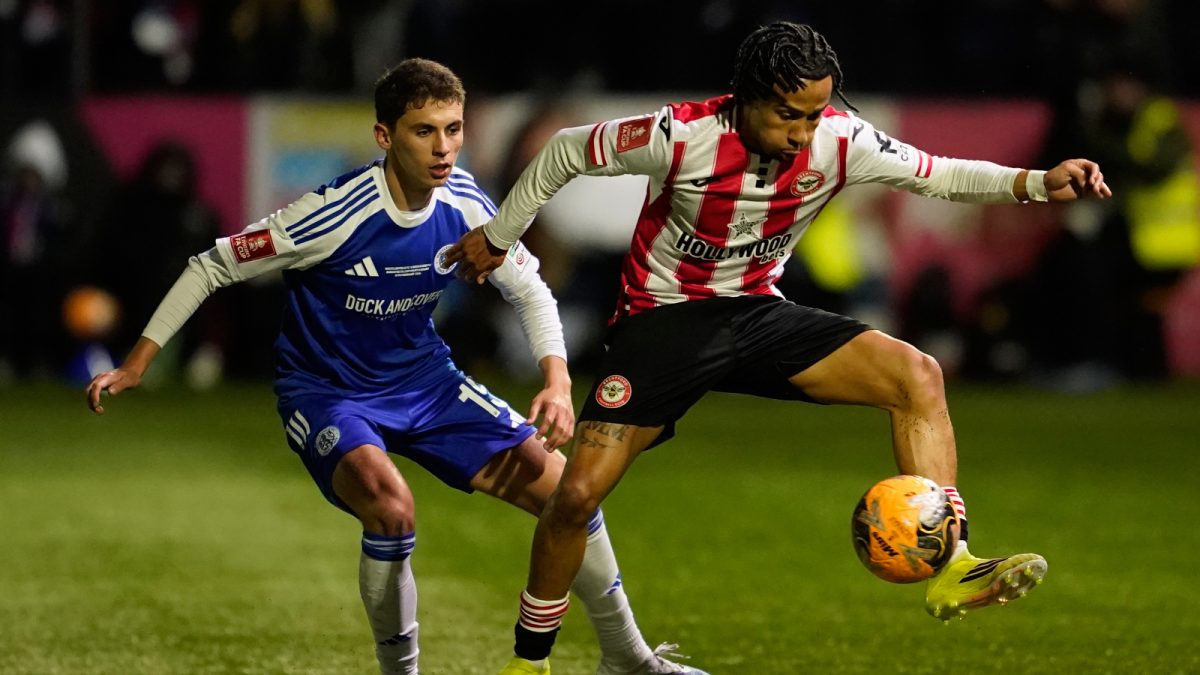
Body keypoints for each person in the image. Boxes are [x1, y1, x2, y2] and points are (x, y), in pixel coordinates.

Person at [446, 22, 1112, 673]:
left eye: (815, 114)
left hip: (759, 314)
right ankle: (529, 664)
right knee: (577, 495)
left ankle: (952, 563)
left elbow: (934, 174)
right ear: (747, 99)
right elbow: (566, 149)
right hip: (666, 321)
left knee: (917, 375)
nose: (802, 133)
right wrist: (502, 235)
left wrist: (1036, 181)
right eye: (789, 115)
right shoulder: (682, 135)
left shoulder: (838, 141)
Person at [85, 58, 703, 675]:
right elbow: (212, 265)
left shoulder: (464, 204)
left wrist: (558, 381)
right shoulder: (332, 214)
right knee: (391, 506)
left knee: (571, 494)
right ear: (385, 136)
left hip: (425, 383)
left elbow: (530, 288)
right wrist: (138, 362)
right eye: (424, 131)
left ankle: (629, 658)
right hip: (328, 394)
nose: (444, 148)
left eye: (454, 129)